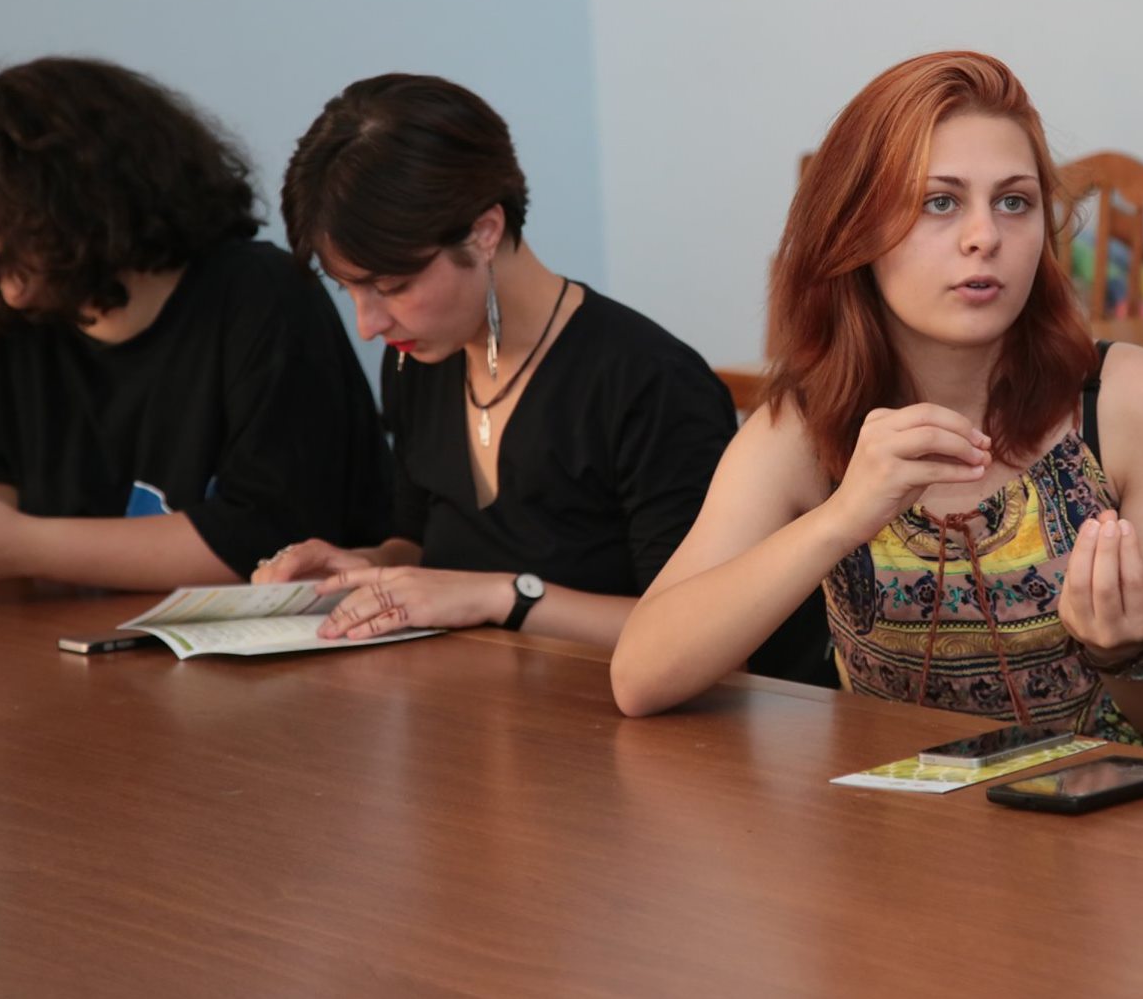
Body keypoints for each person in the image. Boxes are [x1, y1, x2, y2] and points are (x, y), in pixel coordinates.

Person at [610, 51, 1143, 753]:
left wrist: (1129, 654)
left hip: (1124, 811)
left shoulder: (1129, 400)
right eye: (940, 202)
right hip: (896, 818)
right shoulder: (805, 426)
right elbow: (640, 677)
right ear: (855, 229)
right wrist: (842, 516)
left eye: (1014, 202)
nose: (984, 236)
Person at [262, 72, 828, 669]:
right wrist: (369, 568)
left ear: (484, 232)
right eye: (348, 289)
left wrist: (504, 596)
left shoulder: (650, 383)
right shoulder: (417, 360)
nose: (367, 324)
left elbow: (699, 633)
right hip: (475, 698)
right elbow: (423, 543)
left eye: (392, 286)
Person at [0, 57, 391, 596]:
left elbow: (263, 539)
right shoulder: (9, 317)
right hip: (67, 643)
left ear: (78, 195)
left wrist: (19, 546)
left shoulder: (260, 295)